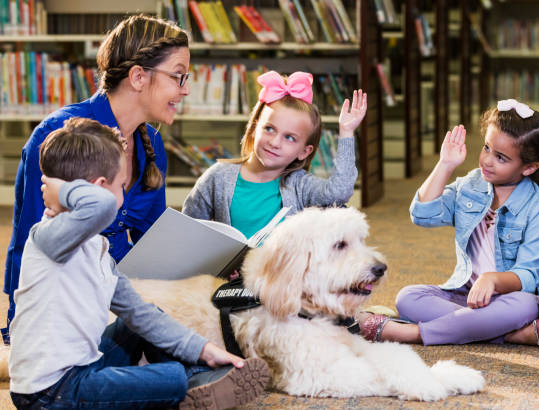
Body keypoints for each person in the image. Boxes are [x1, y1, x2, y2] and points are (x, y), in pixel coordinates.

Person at [8, 117, 270, 409]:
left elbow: (141, 314)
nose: (124, 195)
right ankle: (188, 384)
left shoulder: (97, 250)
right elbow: (103, 205)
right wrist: (61, 191)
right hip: (50, 391)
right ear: (98, 187)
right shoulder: (48, 239)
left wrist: (204, 350)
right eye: (123, 185)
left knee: (146, 319)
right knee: (167, 379)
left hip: (85, 365)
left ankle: (199, 379)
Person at [3, 14, 189, 343]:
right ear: (138, 77)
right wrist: (22, 329)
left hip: (119, 290)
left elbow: (152, 238)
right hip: (67, 296)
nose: (184, 90)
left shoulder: (152, 145)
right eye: (178, 77)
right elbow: (29, 241)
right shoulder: (59, 134)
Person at [361, 99, 539, 347]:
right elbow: (423, 214)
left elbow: (529, 275)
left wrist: (493, 280)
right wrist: (444, 165)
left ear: (529, 167)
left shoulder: (537, 207)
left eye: (501, 157)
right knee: (407, 297)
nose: (487, 160)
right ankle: (510, 334)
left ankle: (411, 334)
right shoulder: (471, 184)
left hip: (510, 300)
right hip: (466, 295)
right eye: (487, 148)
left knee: (527, 306)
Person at [182, 70, 365, 239]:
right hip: (228, 273)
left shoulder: (301, 185)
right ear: (254, 128)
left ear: (304, 152)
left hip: (281, 274)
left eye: (290, 138)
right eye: (269, 129)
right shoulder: (218, 177)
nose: (275, 142)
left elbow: (339, 194)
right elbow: (187, 227)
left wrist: (347, 132)